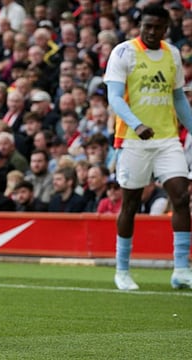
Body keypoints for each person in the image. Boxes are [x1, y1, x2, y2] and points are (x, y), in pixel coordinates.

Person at [105, 4, 192, 290]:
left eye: (157, 27)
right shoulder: (123, 52)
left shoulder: (172, 54)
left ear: (166, 28)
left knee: (180, 197)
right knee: (131, 203)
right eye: (147, 26)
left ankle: (180, 269)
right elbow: (115, 98)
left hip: (167, 139)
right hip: (132, 140)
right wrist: (136, 124)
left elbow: (179, 99)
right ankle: (122, 270)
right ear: (140, 26)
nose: (152, 32)